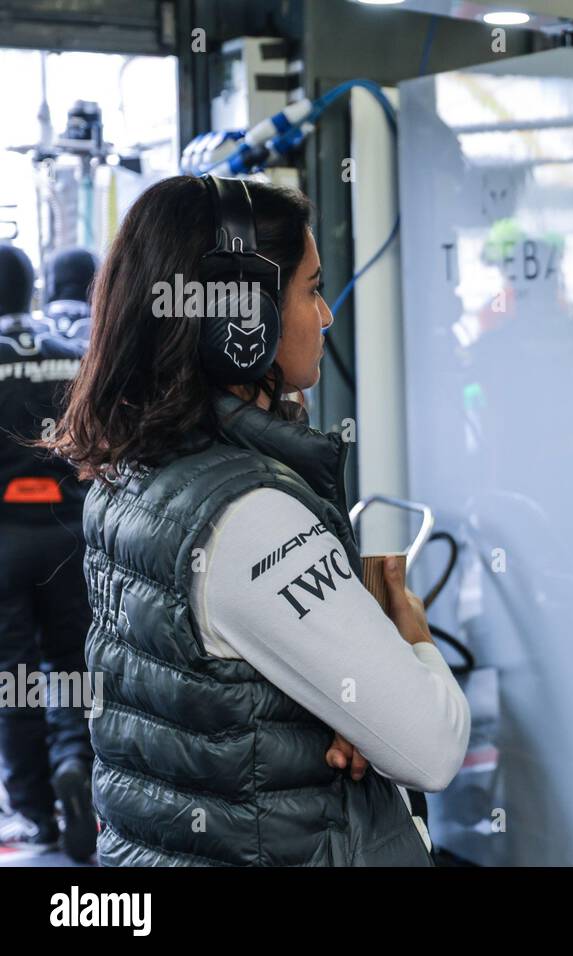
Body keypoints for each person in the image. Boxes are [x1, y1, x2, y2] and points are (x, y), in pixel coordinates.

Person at [43, 175, 470, 866]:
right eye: (310, 289)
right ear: (241, 322)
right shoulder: (250, 516)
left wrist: (348, 706)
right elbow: (431, 749)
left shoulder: (133, 473)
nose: (326, 315)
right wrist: (410, 638)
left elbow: (219, 699)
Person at [0, 242, 97, 860]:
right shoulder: (72, 357)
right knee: (74, 665)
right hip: (69, 533)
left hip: (4, 541)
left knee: (14, 676)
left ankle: (36, 813)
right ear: (32, 290)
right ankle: (78, 764)